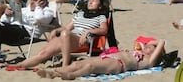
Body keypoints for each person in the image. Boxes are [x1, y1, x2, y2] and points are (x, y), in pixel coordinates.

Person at [12, 0, 109, 68]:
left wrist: (88, 31)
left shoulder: (101, 17)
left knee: (65, 33)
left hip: (80, 41)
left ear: (100, 6)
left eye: (94, 1)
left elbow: (104, 30)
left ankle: (65, 65)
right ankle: (20, 65)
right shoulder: (80, 14)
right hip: (67, 38)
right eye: (90, 0)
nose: (90, 2)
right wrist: (56, 30)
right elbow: (67, 27)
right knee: (44, 53)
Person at [37, 40, 166, 80]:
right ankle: (53, 72)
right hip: (110, 57)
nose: (148, 45)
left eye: (152, 47)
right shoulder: (139, 52)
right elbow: (143, 42)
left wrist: (156, 46)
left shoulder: (150, 61)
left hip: (118, 64)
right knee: (78, 63)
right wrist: (147, 46)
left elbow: (161, 42)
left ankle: (72, 75)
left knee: (90, 67)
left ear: (157, 53)